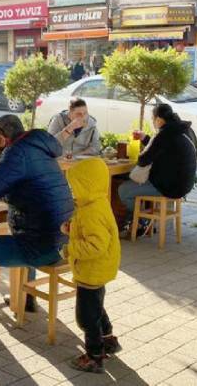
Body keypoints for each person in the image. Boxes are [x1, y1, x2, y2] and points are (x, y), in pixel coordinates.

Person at [0, 114, 74, 332]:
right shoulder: (38, 149)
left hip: (40, 246)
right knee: (24, 228)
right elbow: (24, 186)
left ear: (1, 138)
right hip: (62, 239)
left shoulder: (17, 153)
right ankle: (27, 297)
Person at [63, 158, 122, 373]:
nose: (71, 190)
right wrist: (72, 229)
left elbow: (95, 245)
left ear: (86, 185)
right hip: (98, 270)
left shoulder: (90, 211)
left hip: (91, 269)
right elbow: (91, 232)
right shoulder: (95, 202)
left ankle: (94, 356)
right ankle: (108, 339)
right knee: (96, 307)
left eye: (74, 186)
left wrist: (71, 248)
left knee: (86, 317)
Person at [118, 103, 197, 236]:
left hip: (168, 187)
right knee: (134, 187)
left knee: (123, 190)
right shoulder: (183, 130)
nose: (154, 122)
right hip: (184, 185)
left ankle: (142, 221)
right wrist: (145, 139)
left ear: (159, 119)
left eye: (153, 119)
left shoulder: (164, 134)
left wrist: (136, 154)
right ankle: (137, 220)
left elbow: (144, 159)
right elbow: (161, 147)